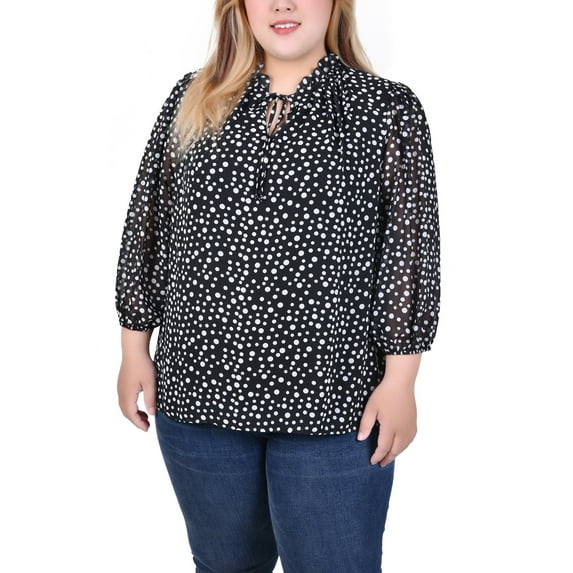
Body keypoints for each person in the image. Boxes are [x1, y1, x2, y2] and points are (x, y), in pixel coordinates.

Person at [115, 0, 440, 571]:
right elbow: (150, 222)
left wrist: (401, 380)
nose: (283, 4)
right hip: (199, 394)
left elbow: (408, 251)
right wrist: (133, 347)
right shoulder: (193, 98)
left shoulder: (385, 110)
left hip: (335, 404)